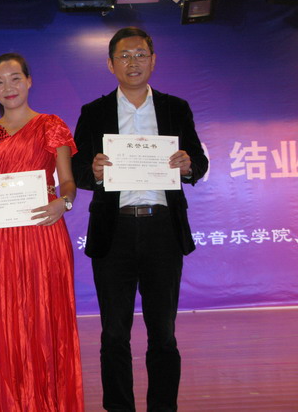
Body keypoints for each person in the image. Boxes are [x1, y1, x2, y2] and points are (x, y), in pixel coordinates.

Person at [72, 27, 208, 412]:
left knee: (163, 334)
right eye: (124, 56)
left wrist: (188, 165)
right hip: (113, 231)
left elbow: (199, 162)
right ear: (110, 64)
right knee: (114, 334)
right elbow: (77, 170)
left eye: (140, 54)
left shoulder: (175, 108)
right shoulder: (93, 112)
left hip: (162, 230)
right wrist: (93, 171)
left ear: (153, 60)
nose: (133, 62)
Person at [0, 53, 84, 411]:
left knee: (43, 321)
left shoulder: (50, 125)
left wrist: (64, 203)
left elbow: (68, 182)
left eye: (15, 78)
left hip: (43, 233)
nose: (8, 87)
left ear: (29, 81)